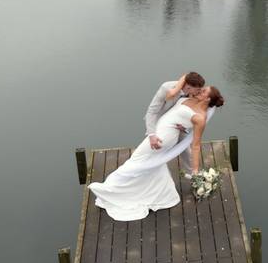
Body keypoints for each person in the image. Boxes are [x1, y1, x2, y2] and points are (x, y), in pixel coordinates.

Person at [90, 86, 226, 221]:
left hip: (162, 139)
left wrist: (195, 170)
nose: (199, 90)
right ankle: (163, 195)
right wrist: (183, 126)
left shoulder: (200, 118)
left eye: (203, 91)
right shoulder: (191, 98)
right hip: (158, 132)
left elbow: (195, 145)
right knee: (150, 164)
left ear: (207, 99)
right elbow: (179, 98)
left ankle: (109, 189)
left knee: (135, 162)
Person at [144, 72, 205, 170]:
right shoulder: (166, 88)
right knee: (153, 152)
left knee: (187, 152)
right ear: (189, 87)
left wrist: (184, 128)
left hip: (178, 126)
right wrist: (152, 135)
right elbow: (151, 112)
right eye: (198, 90)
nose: (200, 92)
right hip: (159, 125)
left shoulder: (193, 95)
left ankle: (194, 177)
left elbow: (191, 114)